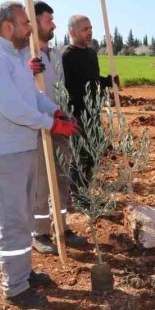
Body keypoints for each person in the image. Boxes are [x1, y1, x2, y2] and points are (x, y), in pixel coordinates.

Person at [0, 2, 79, 309]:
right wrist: (51, 123)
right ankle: (15, 287)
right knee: (11, 221)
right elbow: (14, 109)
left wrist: (55, 111)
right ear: (7, 27)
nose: (30, 28)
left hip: (24, 148)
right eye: (24, 23)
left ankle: (23, 273)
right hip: (3, 155)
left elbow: (32, 98)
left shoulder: (16, 59)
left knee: (23, 215)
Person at [26, 1, 87, 254]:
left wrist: (66, 114)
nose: (53, 25)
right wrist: (24, 71)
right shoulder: (23, 56)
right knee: (41, 181)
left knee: (62, 179)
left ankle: (61, 226)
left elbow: (59, 89)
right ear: (34, 22)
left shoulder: (54, 55)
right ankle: (39, 233)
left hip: (60, 123)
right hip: (38, 126)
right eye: (48, 20)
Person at [61, 15, 118, 194]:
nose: (90, 32)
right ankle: (77, 194)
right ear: (72, 32)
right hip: (76, 114)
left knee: (93, 154)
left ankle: (85, 187)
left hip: (93, 112)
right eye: (85, 29)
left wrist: (108, 82)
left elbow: (92, 80)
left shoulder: (91, 53)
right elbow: (62, 86)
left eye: (90, 28)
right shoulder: (65, 56)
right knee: (80, 156)